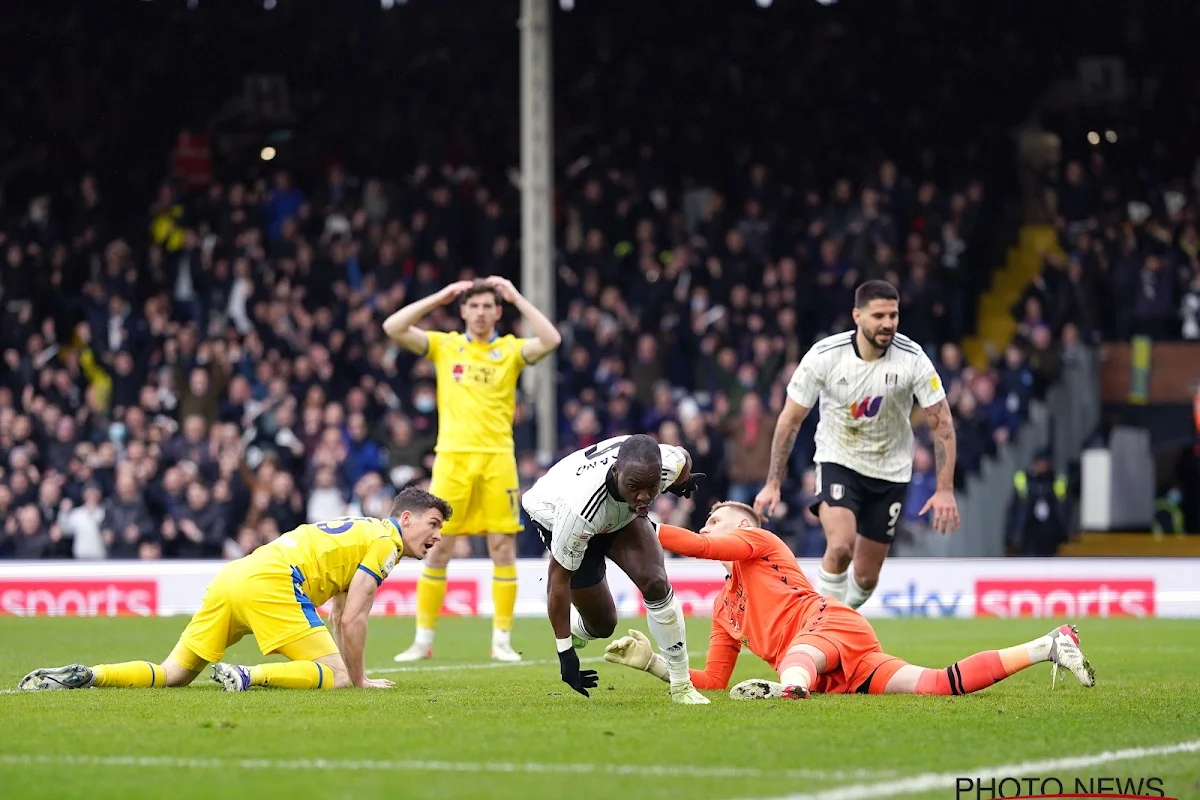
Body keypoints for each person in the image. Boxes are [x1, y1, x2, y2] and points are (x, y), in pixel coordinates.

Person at [604, 501, 1095, 698]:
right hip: (835, 663)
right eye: (706, 521)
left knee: (794, 658)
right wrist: (653, 663)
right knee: (937, 686)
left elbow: (702, 546)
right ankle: (1048, 644)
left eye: (716, 518)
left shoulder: (762, 545)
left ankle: (788, 691)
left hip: (827, 627)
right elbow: (712, 681)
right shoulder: (723, 610)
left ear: (747, 526)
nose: (707, 527)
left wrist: (638, 525)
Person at [18, 488, 451, 693]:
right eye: (433, 524)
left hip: (237, 574)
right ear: (406, 518)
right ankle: (247, 676)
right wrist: (358, 681)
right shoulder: (387, 542)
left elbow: (340, 614)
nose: (437, 537)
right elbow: (355, 617)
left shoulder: (364, 530)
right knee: (334, 677)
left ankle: (90, 675)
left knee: (174, 674)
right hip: (275, 581)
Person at [383, 276, 561, 663]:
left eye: (488, 307)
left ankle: (501, 640)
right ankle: (422, 640)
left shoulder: (510, 350)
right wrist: (438, 297)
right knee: (439, 547)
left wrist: (517, 296)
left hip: (498, 459)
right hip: (452, 460)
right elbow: (392, 327)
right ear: (463, 310)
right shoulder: (446, 345)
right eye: (473, 306)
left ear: (498, 312)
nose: (480, 313)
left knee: (502, 549)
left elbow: (551, 340)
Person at [753, 280, 960, 609]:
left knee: (865, 578)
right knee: (840, 547)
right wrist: (772, 483)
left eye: (893, 315)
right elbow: (789, 420)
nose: (888, 323)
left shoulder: (913, 359)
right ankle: (823, 629)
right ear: (857, 316)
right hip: (839, 460)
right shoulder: (825, 356)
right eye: (878, 315)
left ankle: (840, 618)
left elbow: (943, 424)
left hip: (891, 471)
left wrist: (945, 488)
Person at [521, 433, 709, 704]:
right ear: (616, 472)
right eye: (634, 486)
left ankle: (681, 686)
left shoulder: (664, 465)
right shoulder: (578, 512)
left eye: (652, 487)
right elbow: (558, 581)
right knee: (603, 625)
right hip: (558, 515)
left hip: (618, 514)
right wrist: (565, 654)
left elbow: (683, 458)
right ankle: (577, 629)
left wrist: (682, 482)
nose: (644, 496)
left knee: (655, 581)